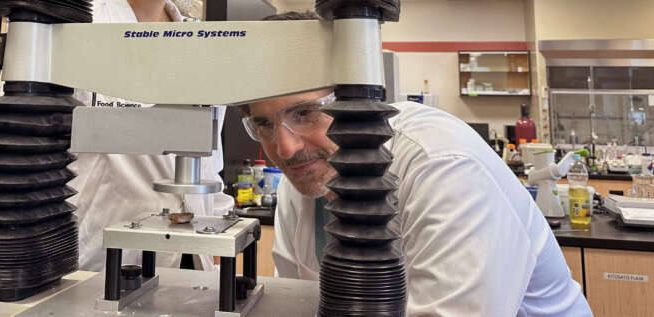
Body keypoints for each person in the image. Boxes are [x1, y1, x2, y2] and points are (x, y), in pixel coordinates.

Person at [241, 12, 593, 316]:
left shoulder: (442, 164)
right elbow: (302, 303)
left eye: (305, 113)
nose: (283, 149)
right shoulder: (301, 185)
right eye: (264, 125)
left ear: (355, 97)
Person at [0, 0, 234, 273]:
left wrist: (217, 251)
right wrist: (10, 276)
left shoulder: (202, 44)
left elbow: (210, 169)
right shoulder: (70, 26)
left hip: (191, 265)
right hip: (94, 269)